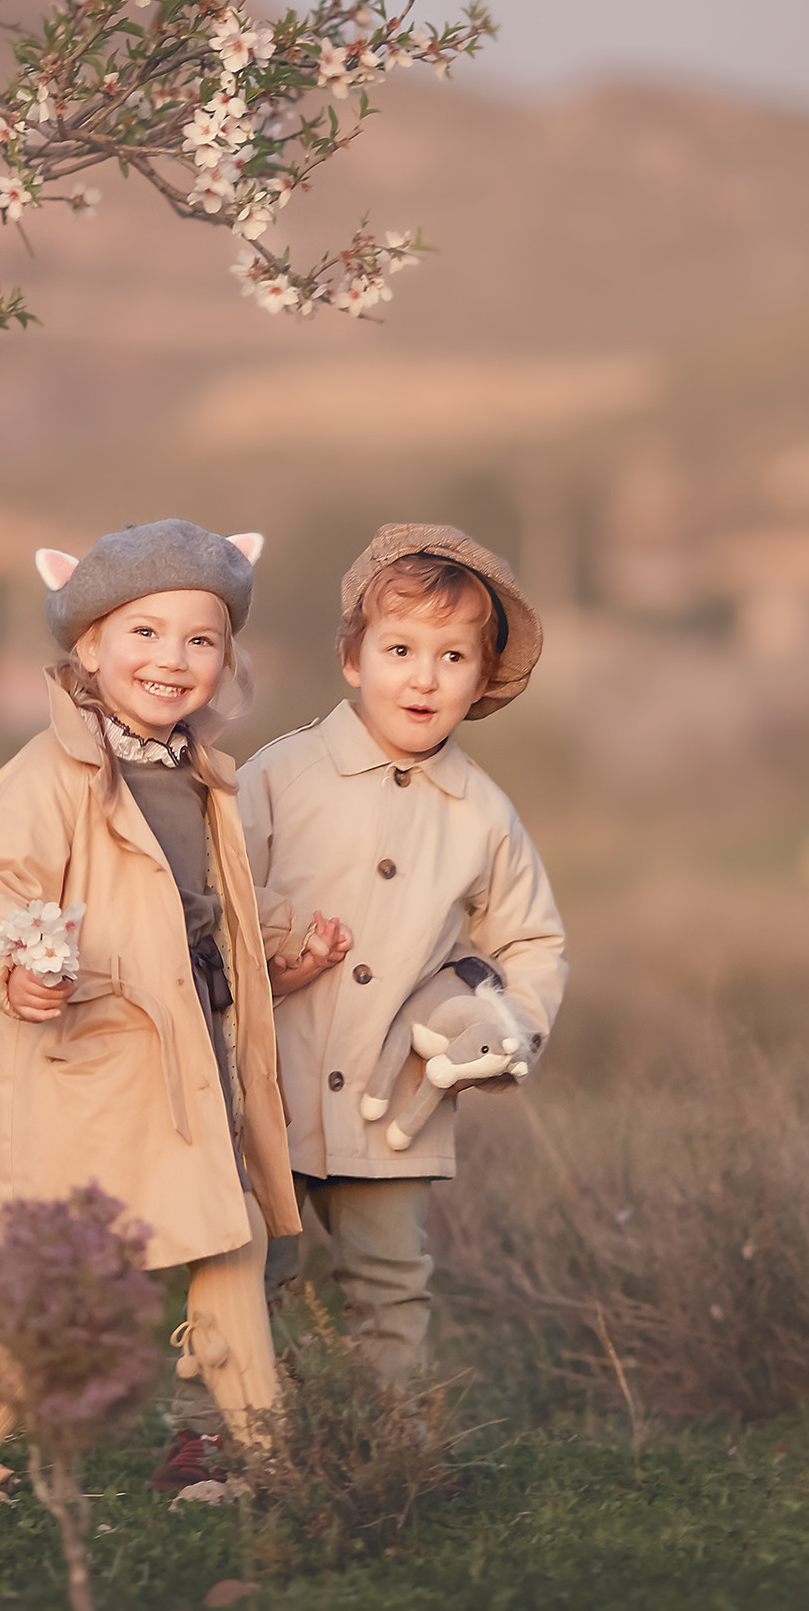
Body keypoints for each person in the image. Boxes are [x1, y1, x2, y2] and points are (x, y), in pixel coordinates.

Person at [0, 518, 339, 1513]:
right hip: (93, 1068)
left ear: (226, 658)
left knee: (226, 1247)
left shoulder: (198, 773)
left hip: (192, 1058)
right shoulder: (48, 773)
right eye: (143, 633)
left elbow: (205, 913)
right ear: (88, 646)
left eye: (199, 639)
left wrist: (284, 946)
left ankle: (271, 1469)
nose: (171, 659)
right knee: (61, 1284)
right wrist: (17, 962)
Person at [239, 523, 568, 1383]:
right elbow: (217, 900)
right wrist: (280, 938)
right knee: (244, 1276)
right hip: (265, 1088)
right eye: (399, 648)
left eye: (453, 656)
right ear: (353, 658)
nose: (424, 676)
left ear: (482, 676)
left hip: (394, 1105)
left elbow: (532, 941)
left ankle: (394, 1442)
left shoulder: (481, 812)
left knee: (391, 1284)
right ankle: (217, 1436)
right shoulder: (280, 775)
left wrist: (500, 1024)